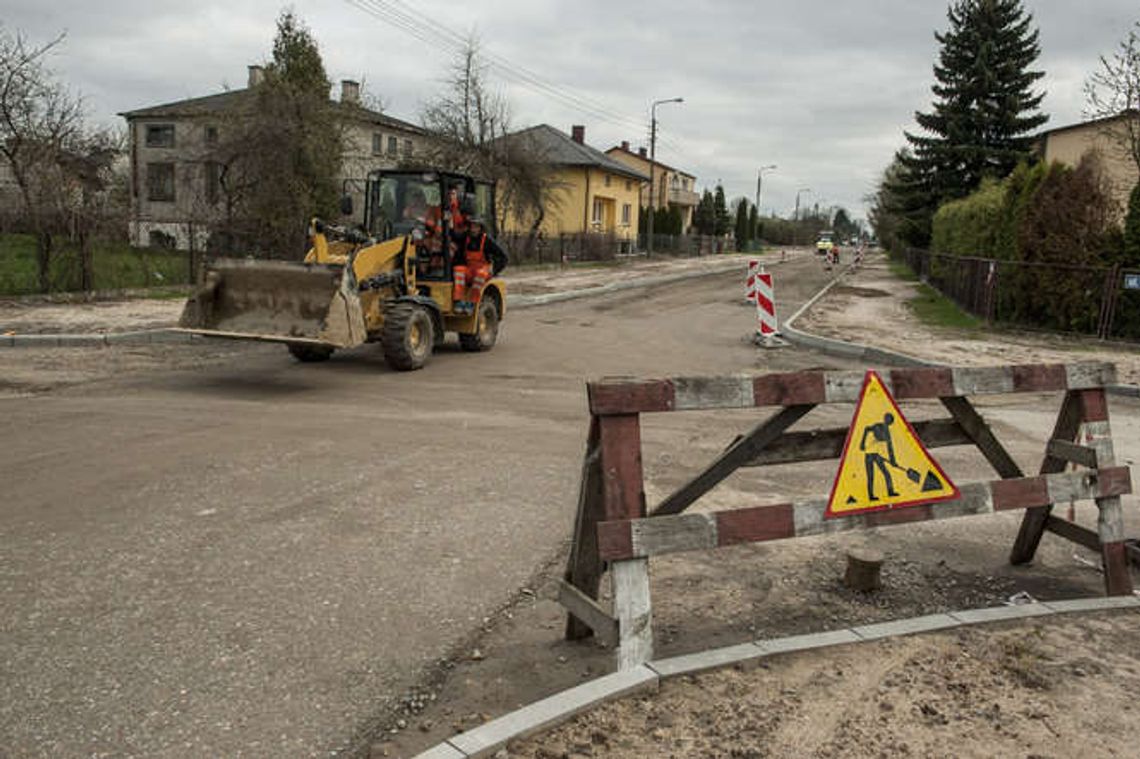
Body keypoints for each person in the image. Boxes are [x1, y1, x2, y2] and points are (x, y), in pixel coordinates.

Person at [452, 216, 508, 314]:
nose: (473, 229)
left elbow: (503, 257)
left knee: (480, 275)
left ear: (480, 228)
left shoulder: (487, 240)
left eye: (476, 227)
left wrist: (494, 270)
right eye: (472, 226)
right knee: (459, 270)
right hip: (470, 269)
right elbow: (454, 236)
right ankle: (459, 301)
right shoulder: (466, 238)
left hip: (483, 269)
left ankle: (472, 303)